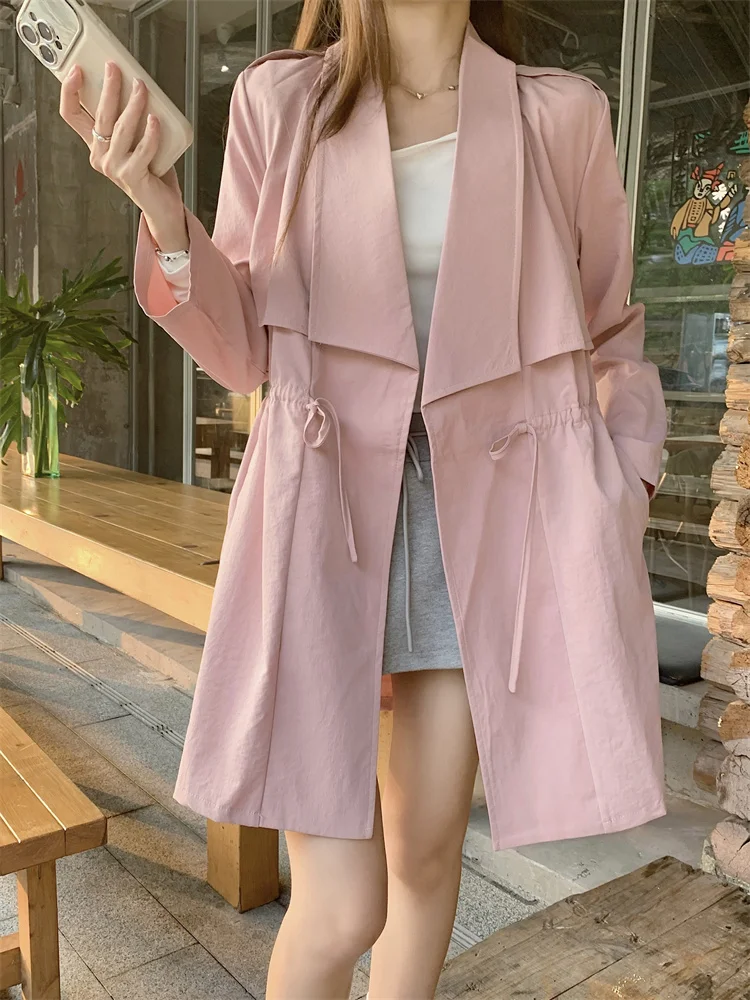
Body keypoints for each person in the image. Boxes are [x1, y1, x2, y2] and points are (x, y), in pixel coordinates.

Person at [60, 1, 668, 996]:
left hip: (495, 518)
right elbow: (243, 350)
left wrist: (622, 484)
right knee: (343, 905)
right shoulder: (281, 101)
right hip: (325, 505)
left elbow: (610, 332)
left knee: (426, 861)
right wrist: (164, 213)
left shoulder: (561, 114)